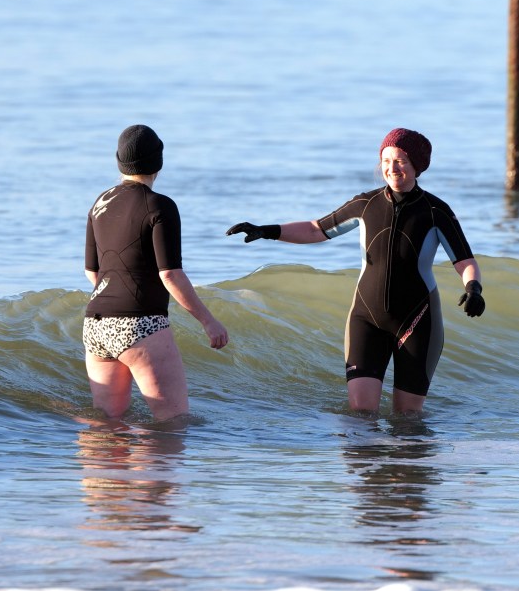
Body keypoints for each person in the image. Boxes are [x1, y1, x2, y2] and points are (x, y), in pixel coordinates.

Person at [227, 128, 485, 416]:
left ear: (417, 166)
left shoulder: (436, 211)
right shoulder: (366, 204)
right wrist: (268, 231)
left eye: (400, 161)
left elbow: (464, 260)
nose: (391, 168)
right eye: (386, 161)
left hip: (417, 320)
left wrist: (473, 287)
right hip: (367, 318)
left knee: (408, 418)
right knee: (361, 413)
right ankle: (364, 461)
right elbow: (316, 229)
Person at [83, 125, 228, 422]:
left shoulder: (100, 202)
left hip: (95, 324)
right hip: (141, 324)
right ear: (158, 162)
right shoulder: (160, 206)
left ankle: (98, 470)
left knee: (108, 428)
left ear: (119, 161)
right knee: (173, 424)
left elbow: (91, 272)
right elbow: (170, 275)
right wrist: (209, 322)